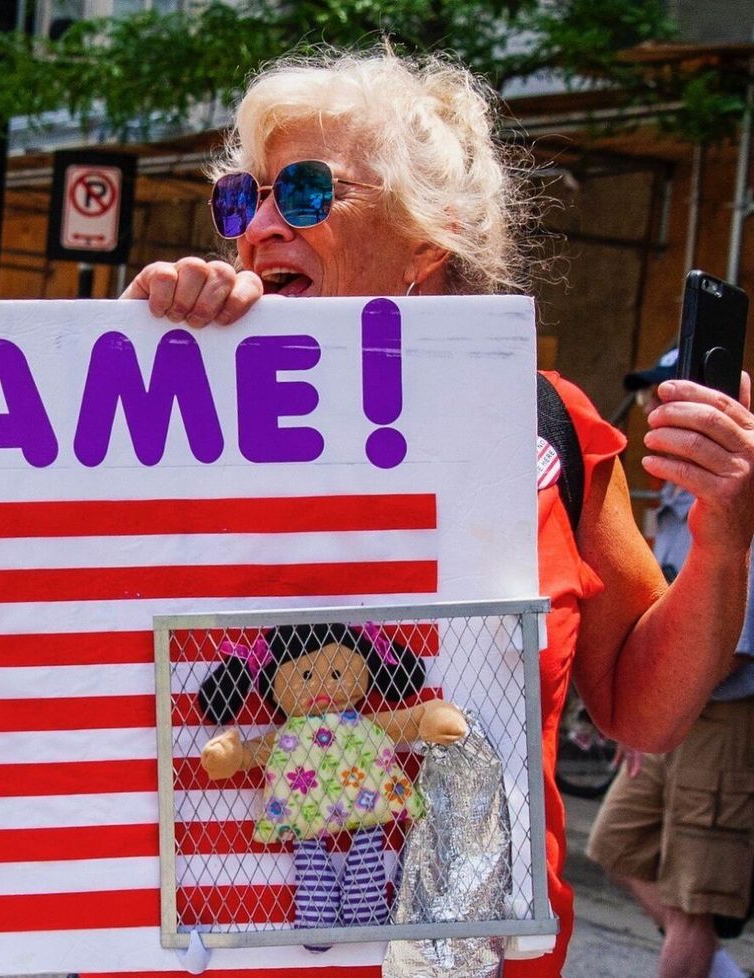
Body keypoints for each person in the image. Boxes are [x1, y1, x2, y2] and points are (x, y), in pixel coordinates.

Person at [119, 48, 754, 977]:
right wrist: (125, 363)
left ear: (431, 236)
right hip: (201, 951)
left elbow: (643, 712)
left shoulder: (548, 425)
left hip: (469, 957)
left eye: (302, 193)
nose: (254, 228)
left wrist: (725, 535)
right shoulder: (169, 402)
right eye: (238, 199)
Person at [586, 348, 754, 978]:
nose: (656, 408)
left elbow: (734, 640)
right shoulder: (674, 503)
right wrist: (647, 702)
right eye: (655, 394)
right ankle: (717, 970)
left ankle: (697, 957)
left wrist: (657, 693)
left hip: (721, 717)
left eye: (671, 394)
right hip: (683, 709)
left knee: (692, 906)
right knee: (617, 846)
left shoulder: (735, 496)